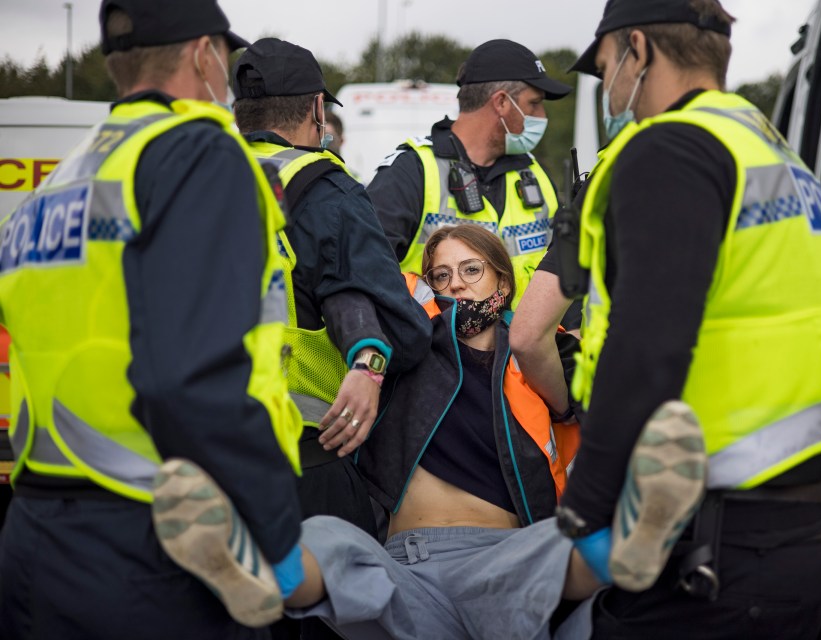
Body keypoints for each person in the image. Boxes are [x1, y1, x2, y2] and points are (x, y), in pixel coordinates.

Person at [150, 224, 712, 639]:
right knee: (333, 542)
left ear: (501, 277)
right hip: (403, 567)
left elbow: (596, 391)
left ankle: (630, 542)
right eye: (442, 275)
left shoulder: (545, 354)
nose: (458, 286)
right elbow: (340, 303)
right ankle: (254, 573)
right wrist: (368, 360)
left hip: (506, 560)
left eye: (472, 271)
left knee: (557, 545)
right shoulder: (404, 349)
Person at [554, 0, 821, 637]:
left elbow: (648, 345)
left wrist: (584, 510)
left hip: (724, 561)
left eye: (609, 63)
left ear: (639, 50)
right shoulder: (772, 152)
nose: (609, 86)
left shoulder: (670, 150)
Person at [0, 1, 307, 638]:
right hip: (162, 545)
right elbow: (190, 379)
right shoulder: (196, 153)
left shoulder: (61, 180)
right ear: (202, 53)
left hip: (34, 534)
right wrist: (276, 539)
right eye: (226, 56)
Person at [231, 37, 433, 640]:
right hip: (309, 457)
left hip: (204, 450)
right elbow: (403, 330)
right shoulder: (325, 189)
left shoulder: (203, 177)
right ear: (319, 110)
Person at [366, 39, 573, 304]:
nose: (542, 115)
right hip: (433, 345)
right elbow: (364, 274)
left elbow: (564, 273)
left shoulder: (535, 174)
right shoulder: (410, 172)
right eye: (534, 104)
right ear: (501, 102)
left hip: (523, 346)